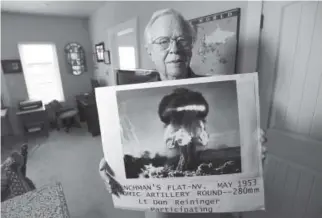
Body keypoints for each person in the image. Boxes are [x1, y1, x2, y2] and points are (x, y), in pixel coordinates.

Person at [99, 8, 267, 218]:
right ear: (149, 51)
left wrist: (252, 154)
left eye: (182, 40)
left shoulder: (218, 90)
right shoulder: (124, 102)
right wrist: (113, 166)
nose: (174, 49)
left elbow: (241, 173)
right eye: (163, 41)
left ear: (191, 46)